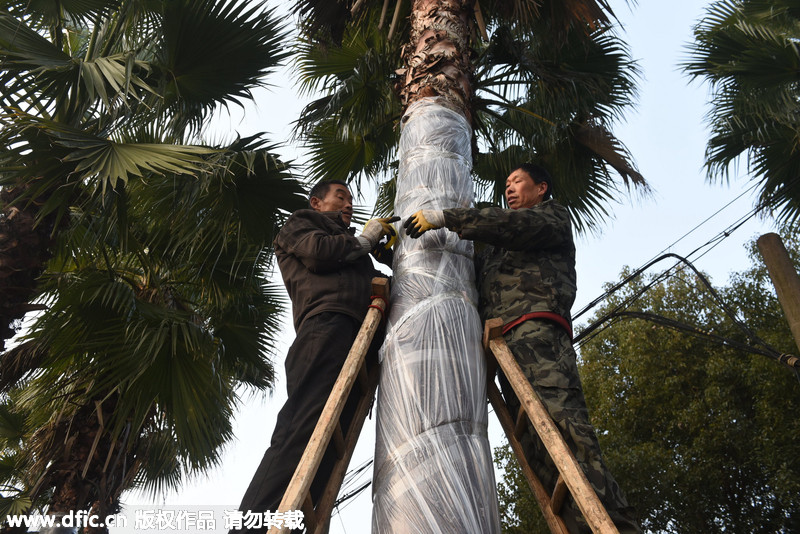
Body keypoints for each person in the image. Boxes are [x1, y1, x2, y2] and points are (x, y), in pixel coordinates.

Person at [403, 164, 641, 534]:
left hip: (536, 331)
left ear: (542, 187)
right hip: (504, 347)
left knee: (565, 432)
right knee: (537, 449)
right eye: (506, 185)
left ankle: (614, 526)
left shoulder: (551, 217)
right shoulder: (496, 248)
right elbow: (455, 278)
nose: (509, 189)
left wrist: (446, 216)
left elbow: (512, 226)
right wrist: (398, 253)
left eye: (516, 182)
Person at [233, 180, 396, 533]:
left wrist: (391, 256)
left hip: (358, 339)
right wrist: (364, 241)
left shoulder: (353, 251)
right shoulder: (302, 224)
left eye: (352, 199)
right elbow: (318, 254)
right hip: (326, 327)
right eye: (341, 197)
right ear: (317, 202)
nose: (348, 204)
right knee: (302, 431)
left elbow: (382, 284)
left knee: (329, 449)